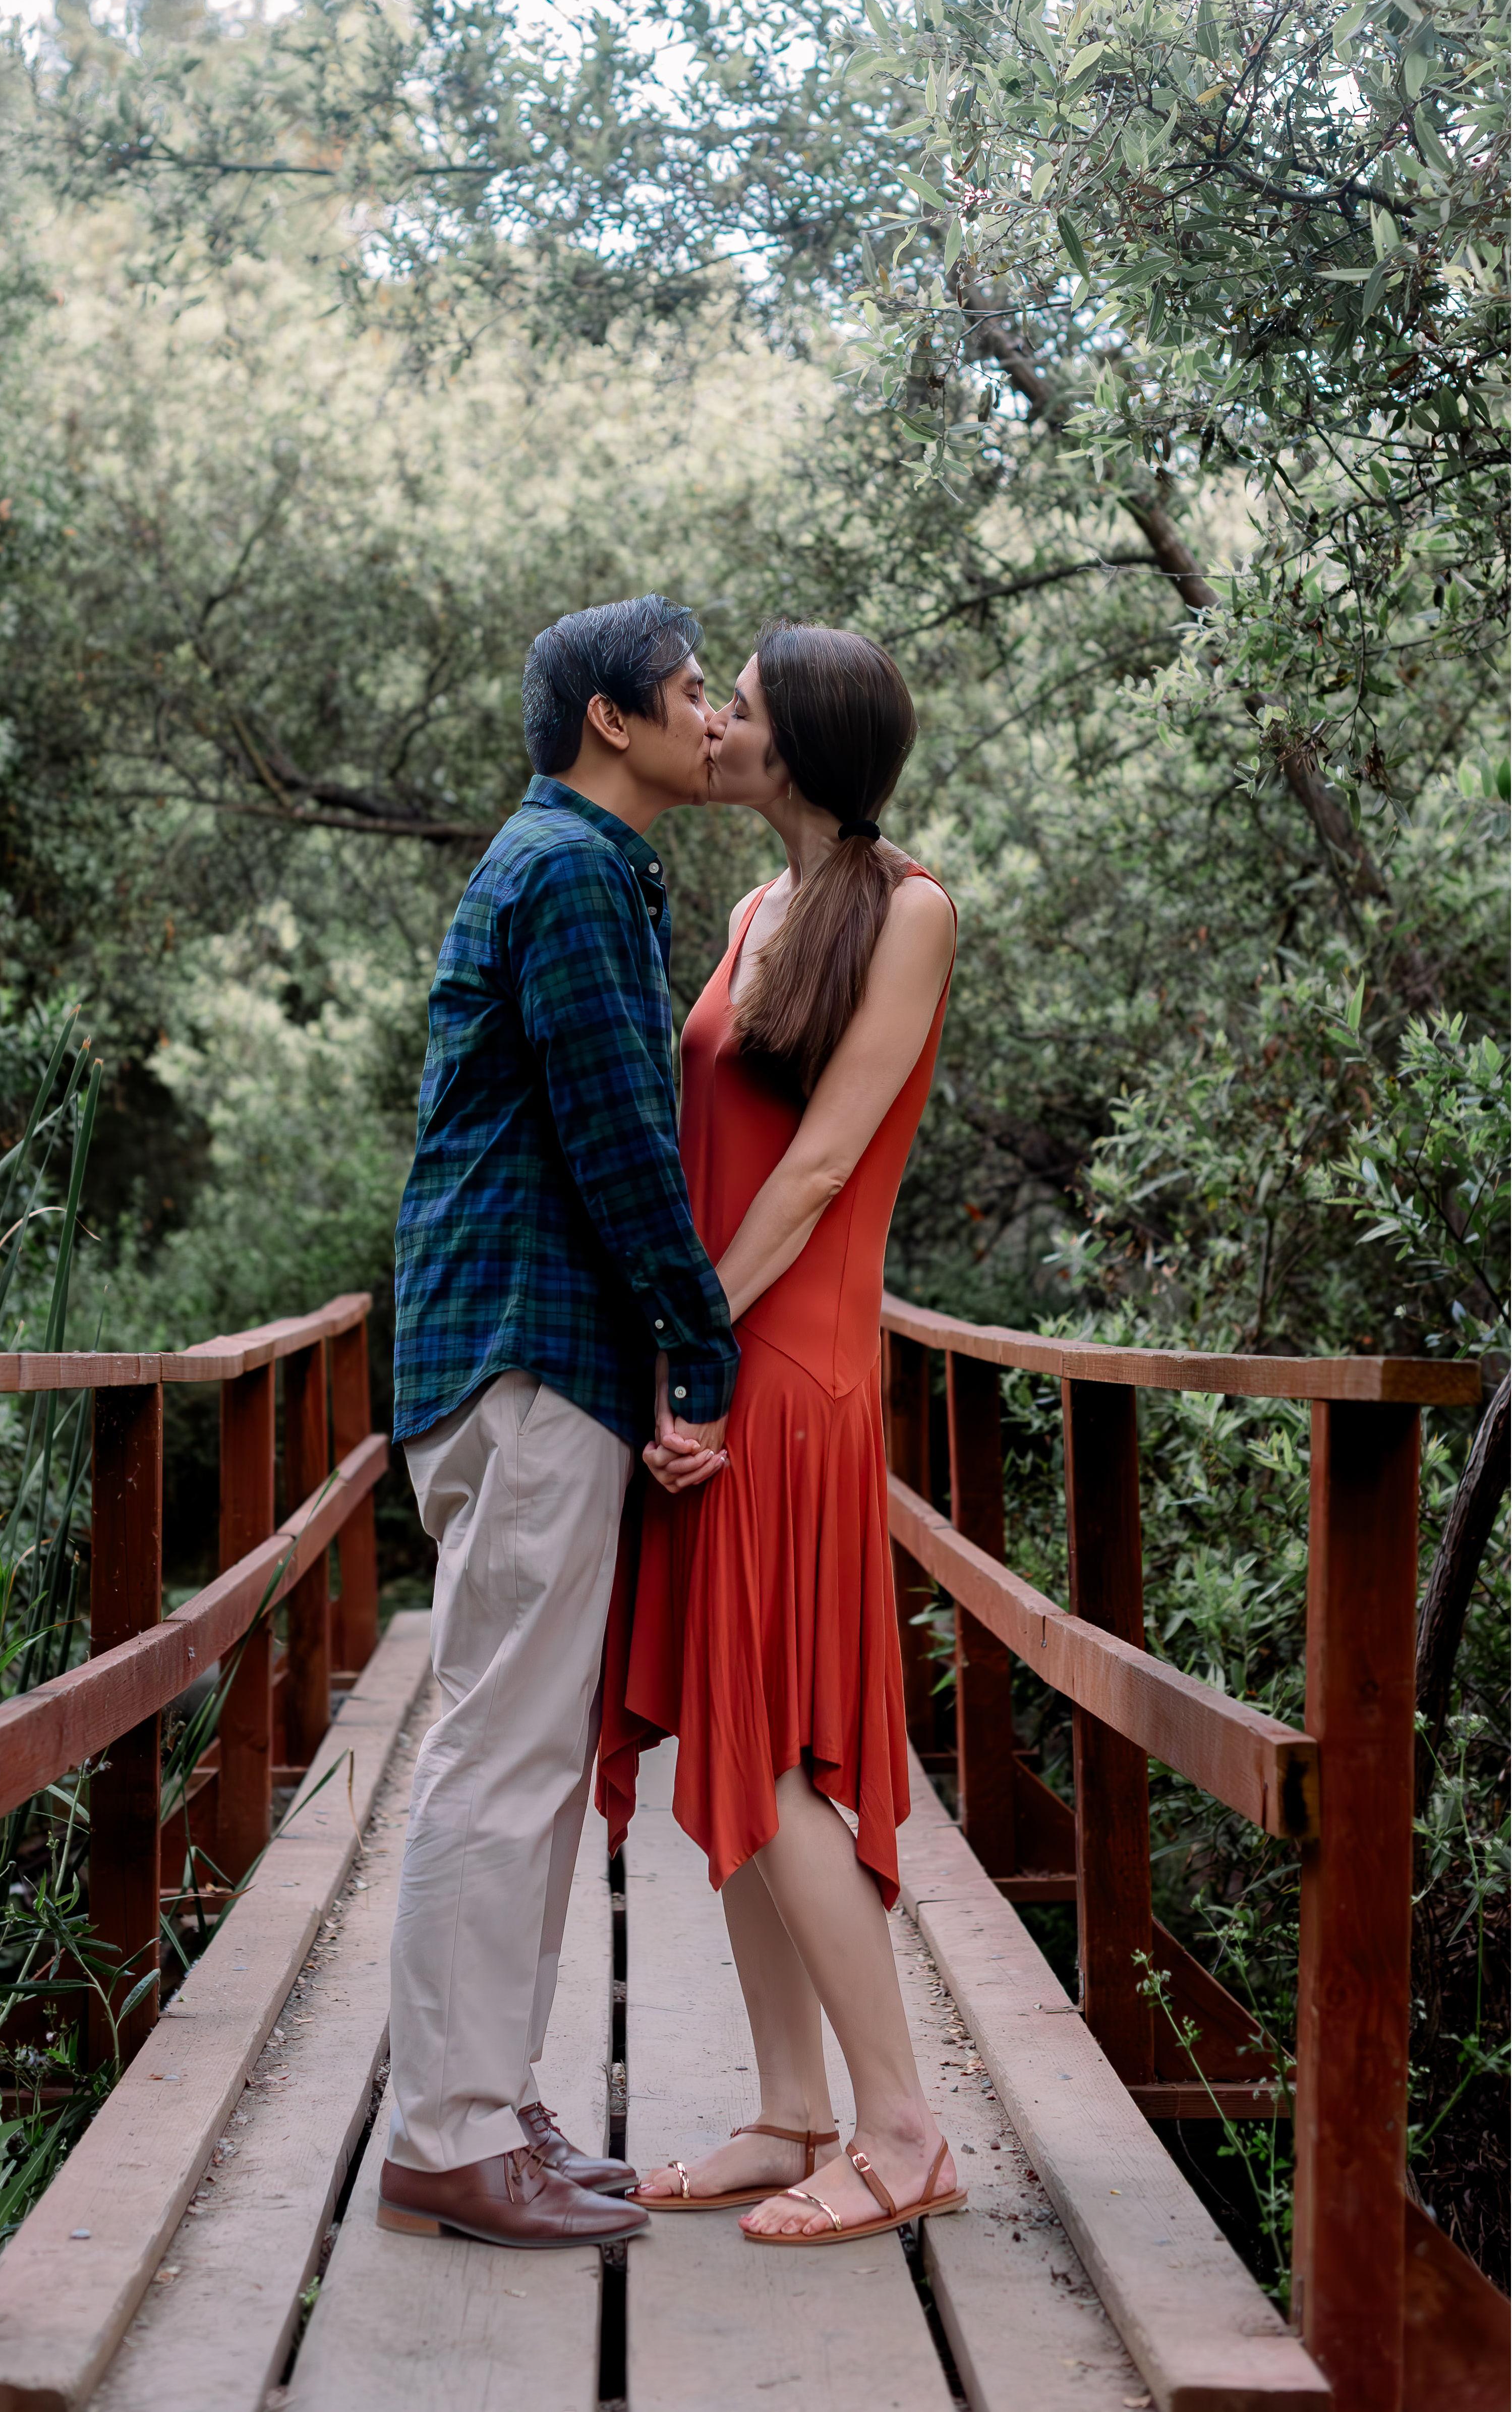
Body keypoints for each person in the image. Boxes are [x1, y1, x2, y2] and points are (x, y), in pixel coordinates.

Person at [376, 595, 739, 2250]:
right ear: (613, 718)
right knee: (503, 1752)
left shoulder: (573, 864)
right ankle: (448, 2135)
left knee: (521, 1748)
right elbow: (617, 1141)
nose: (712, 717)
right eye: (690, 691)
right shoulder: (575, 873)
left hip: (524, 1356)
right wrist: (701, 1346)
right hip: (527, 1355)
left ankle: (491, 2102)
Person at [598, 620, 967, 2247]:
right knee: (728, 1734)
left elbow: (817, 1170)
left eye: (736, 707)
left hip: (790, 1370)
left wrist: (694, 1347)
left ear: (799, 742)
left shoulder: (910, 910)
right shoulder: (758, 910)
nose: (714, 725)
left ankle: (904, 2133)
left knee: (781, 1750)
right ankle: (790, 2111)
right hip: (720, 1356)